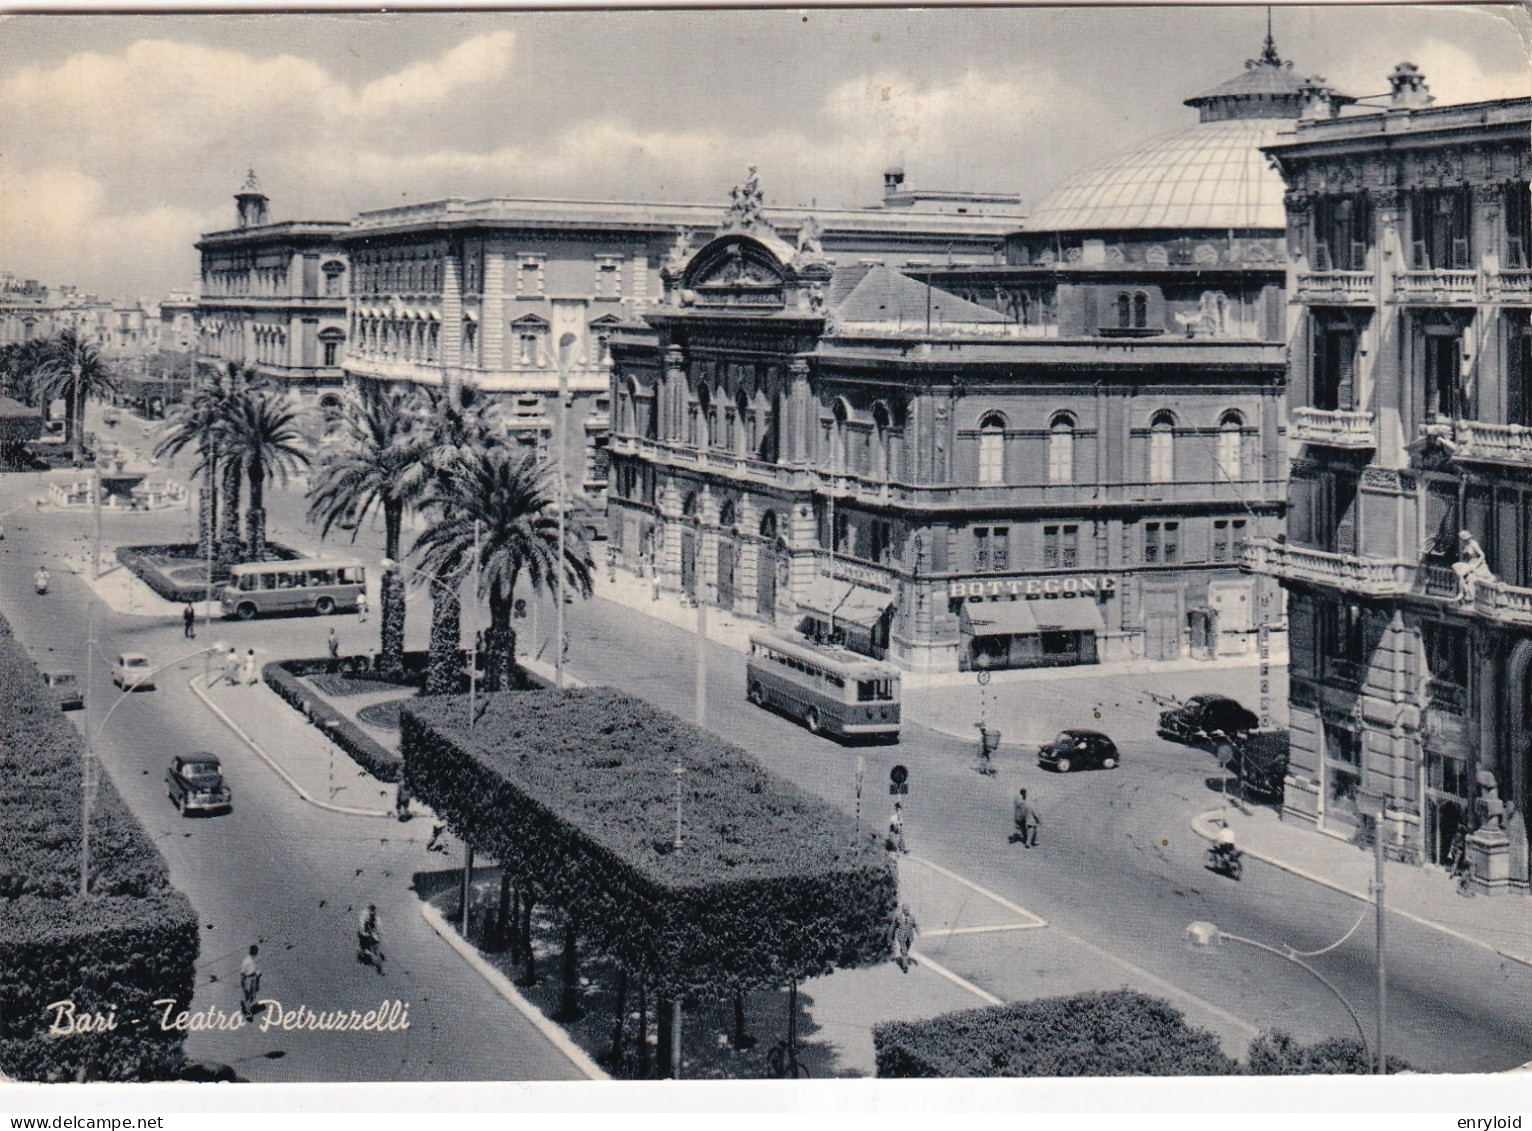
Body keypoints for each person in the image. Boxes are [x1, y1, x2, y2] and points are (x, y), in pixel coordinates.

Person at [891, 904, 918, 974]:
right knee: (904, 950)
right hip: (901, 937)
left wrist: (918, 931)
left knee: (906, 949)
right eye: (906, 910)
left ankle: (903, 957)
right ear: (903, 910)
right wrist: (891, 934)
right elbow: (893, 926)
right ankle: (905, 966)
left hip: (909, 937)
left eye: (908, 910)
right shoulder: (898, 917)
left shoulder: (912, 917)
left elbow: (915, 925)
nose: (908, 911)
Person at [358, 904, 384, 973]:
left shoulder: (372, 921)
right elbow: (362, 933)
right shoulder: (367, 922)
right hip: (368, 937)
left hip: (369, 936)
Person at [239, 944, 262, 1021]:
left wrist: (257, 973)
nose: (257, 952)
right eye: (256, 951)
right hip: (248, 978)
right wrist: (243, 982)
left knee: (253, 992)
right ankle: (248, 1013)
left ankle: (252, 1005)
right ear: (252, 951)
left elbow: (255, 968)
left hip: (253, 978)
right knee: (248, 996)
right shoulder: (247, 961)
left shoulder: (253, 959)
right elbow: (243, 973)